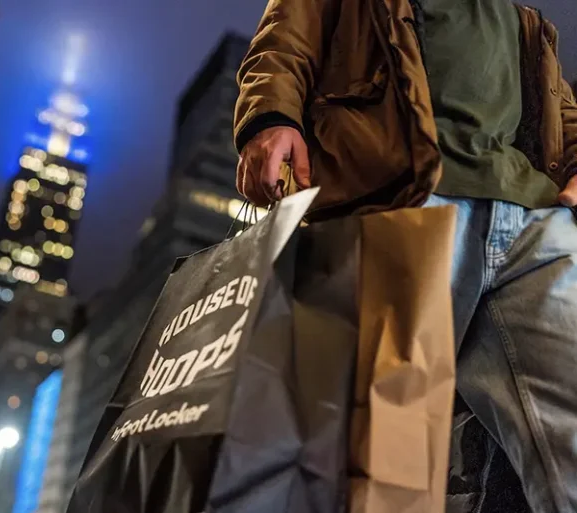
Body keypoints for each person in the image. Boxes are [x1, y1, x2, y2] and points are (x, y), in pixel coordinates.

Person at [233, 1, 577, 511]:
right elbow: (286, 40)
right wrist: (271, 117)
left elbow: (561, 113)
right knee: (388, 461)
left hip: (534, 221)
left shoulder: (522, 18)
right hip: (404, 204)